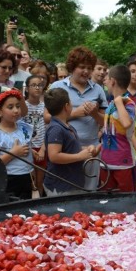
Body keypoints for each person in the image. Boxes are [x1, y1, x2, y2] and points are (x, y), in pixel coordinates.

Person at [50, 46, 108, 190]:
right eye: (82, 67)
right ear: (72, 67)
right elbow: (46, 117)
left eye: (89, 68)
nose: (86, 71)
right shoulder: (57, 86)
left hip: (91, 149)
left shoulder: (98, 89)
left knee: (89, 191)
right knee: (66, 191)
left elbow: (106, 122)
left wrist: (94, 114)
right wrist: (75, 113)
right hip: (65, 149)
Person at [43, 88, 96, 196]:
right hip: (61, 187)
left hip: (72, 183)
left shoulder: (67, 126)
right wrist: (80, 156)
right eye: (71, 102)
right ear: (66, 106)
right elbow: (54, 156)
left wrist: (86, 150)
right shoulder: (56, 129)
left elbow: (70, 149)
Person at [0, 89, 34, 200]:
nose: (16, 110)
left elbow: (26, 145)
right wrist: (13, 153)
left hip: (26, 178)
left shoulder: (23, 128)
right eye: (10, 107)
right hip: (8, 180)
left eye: (17, 106)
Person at [99, 65, 136, 192]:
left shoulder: (128, 103)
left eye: (107, 79)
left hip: (123, 163)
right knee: (107, 202)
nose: (105, 82)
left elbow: (126, 124)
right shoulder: (111, 104)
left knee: (126, 202)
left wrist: (119, 102)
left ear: (113, 81)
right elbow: (108, 131)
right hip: (105, 162)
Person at [23, 75, 47, 196]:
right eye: (33, 85)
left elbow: (48, 129)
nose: (37, 88)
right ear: (27, 89)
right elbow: (20, 129)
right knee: (30, 181)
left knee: (39, 181)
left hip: (42, 147)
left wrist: (43, 149)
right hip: (28, 148)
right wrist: (30, 148)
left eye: (40, 85)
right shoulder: (23, 107)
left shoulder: (45, 106)